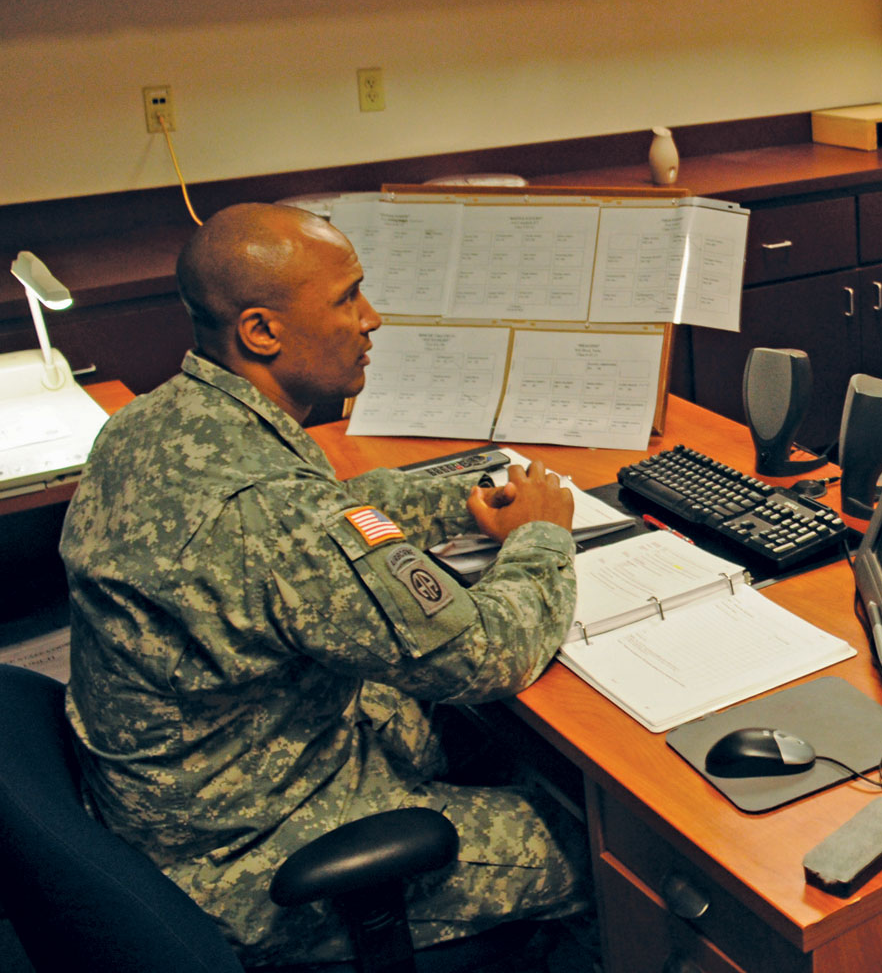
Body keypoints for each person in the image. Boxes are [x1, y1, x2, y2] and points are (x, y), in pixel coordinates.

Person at [59, 203, 588, 966]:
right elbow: (489, 655)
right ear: (261, 332)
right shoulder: (277, 517)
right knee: (595, 840)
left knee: (495, 748)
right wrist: (542, 535)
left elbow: (331, 516)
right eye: (347, 299)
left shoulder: (152, 423)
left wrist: (457, 497)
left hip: (179, 801)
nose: (370, 320)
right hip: (253, 862)